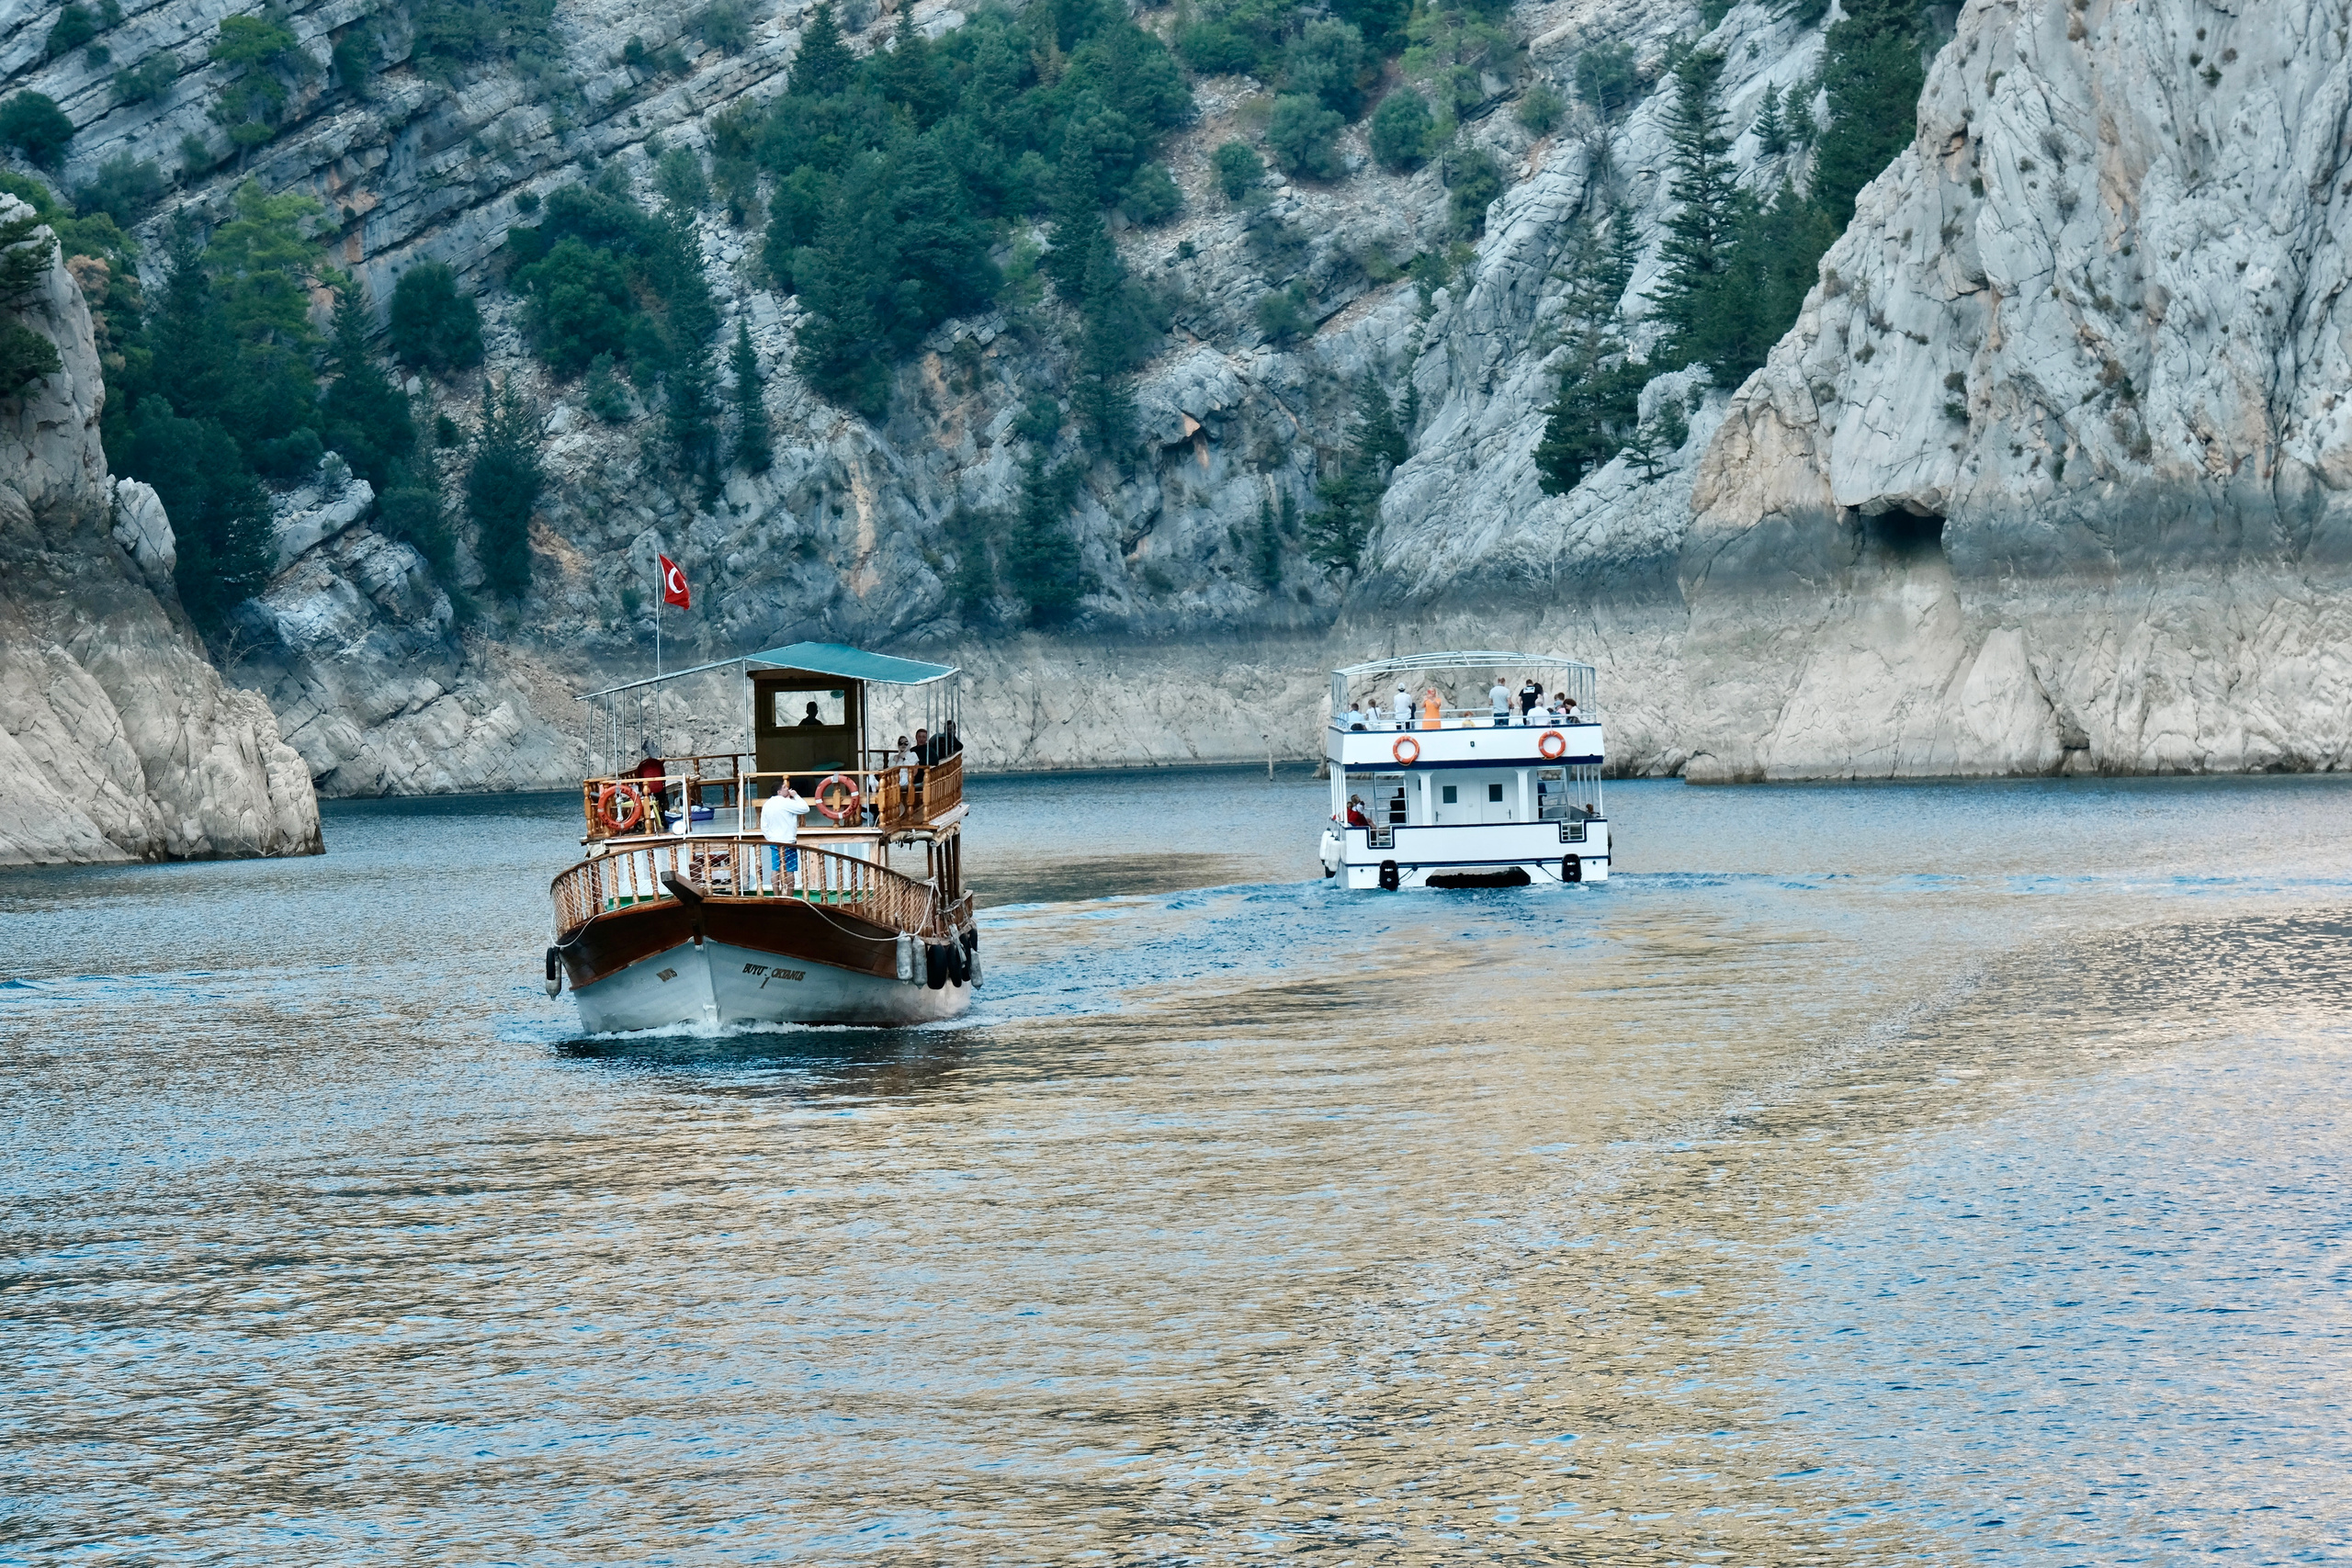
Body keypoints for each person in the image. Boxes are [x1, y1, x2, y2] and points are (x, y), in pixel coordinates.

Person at [760, 779, 809, 881]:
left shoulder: (767, 804)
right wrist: (795, 796)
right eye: (784, 787)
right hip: (788, 841)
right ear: (779, 792)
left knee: (776, 868)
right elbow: (805, 808)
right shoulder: (786, 803)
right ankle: (789, 895)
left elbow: (764, 826)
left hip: (774, 841)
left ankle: (776, 895)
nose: (787, 788)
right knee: (790, 869)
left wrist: (770, 837)